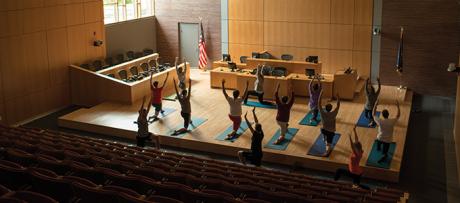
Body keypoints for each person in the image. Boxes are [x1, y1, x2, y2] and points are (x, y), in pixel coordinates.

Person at [334, 125, 370, 190]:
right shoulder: (359, 150)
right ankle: (369, 189)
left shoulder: (357, 154)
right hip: (357, 171)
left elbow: (352, 146)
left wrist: (350, 137)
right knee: (356, 185)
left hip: (354, 172)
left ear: (356, 148)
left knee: (339, 171)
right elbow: (356, 140)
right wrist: (354, 130)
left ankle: (334, 182)